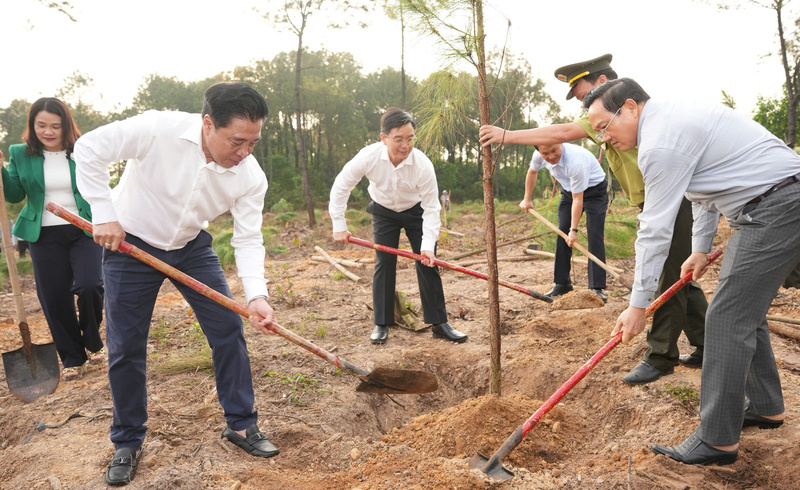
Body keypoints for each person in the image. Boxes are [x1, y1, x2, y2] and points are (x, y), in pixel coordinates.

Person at [584, 77, 800, 466]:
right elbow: (702, 191)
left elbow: (655, 231)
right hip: (777, 200)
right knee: (742, 310)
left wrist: (637, 306)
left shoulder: (660, 144)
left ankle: (717, 440)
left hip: (775, 206)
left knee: (727, 319)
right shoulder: (670, 122)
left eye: (604, 127)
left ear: (630, 107)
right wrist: (699, 248)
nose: (605, 139)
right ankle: (766, 406)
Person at [74, 82, 279, 486]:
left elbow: (248, 237)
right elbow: (89, 148)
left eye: (253, 143)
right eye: (237, 141)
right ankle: (127, 441)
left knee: (228, 328)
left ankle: (241, 424)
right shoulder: (157, 129)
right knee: (126, 345)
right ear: (208, 124)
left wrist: (256, 294)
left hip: (191, 248)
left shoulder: (250, 176)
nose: (244, 152)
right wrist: (103, 211)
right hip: (130, 246)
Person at [479, 54, 708, 385]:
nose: (583, 106)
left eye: (583, 94)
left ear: (603, 83)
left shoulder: (622, 114)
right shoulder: (606, 115)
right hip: (653, 202)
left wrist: (507, 135)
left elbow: (562, 131)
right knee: (679, 275)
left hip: (669, 201)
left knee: (666, 276)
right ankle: (706, 343)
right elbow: (563, 131)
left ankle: (660, 356)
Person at [329, 108, 467, 345]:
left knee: (427, 262)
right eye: (399, 139)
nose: (405, 145)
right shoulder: (368, 156)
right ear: (384, 138)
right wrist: (339, 224)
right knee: (384, 262)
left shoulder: (422, 164)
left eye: (410, 139)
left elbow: (431, 208)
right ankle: (381, 323)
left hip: (416, 212)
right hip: (383, 211)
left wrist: (427, 246)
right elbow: (342, 186)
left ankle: (439, 323)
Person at [0, 98, 104, 381]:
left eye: (55, 126)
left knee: (91, 285)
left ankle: (92, 339)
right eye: (41, 125)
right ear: (32, 125)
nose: (48, 131)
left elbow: (98, 185)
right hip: (43, 234)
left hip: (84, 229)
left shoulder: (82, 149)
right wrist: (1, 169)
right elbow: (14, 195)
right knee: (55, 298)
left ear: (66, 126)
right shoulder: (20, 153)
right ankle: (73, 357)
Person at [520, 143, 608, 302]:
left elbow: (578, 199)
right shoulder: (539, 155)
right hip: (569, 192)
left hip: (595, 191)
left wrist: (573, 230)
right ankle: (562, 283)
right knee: (562, 232)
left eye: (554, 150)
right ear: (539, 151)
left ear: (561, 143)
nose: (551, 156)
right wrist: (527, 198)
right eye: (545, 153)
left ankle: (596, 287)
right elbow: (532, 172)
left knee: (595, 234)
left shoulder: (576, 161)